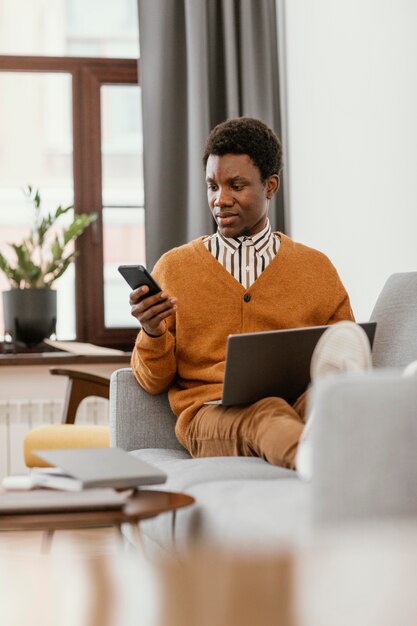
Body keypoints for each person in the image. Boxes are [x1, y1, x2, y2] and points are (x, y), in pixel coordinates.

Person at [129, 117, 362, 473]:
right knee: (267, 413)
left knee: (326, 399)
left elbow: (345, 345)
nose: (220, 200)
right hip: (210, 414)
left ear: (270, 186)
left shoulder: (316, 269)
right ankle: (325, 467)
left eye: (236, 186)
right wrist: (153, 333)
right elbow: (151, 381)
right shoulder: (174, 268)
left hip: (295, 403)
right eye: (212, 186)